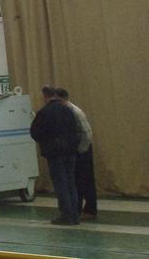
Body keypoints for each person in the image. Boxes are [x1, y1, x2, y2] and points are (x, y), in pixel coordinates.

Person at [29, 85, 81, 226]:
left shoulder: (44, 112)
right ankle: (75, 215)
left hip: (55, 153)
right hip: (70, 151)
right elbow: (77, 129)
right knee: (71, 183)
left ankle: (66, 215)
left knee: (61, 184)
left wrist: (46, 141)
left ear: (45, 96)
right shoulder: (68, 110)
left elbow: (34, 132)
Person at [58, 88, 97, 219]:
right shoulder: (67, 111)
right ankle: (78, 208)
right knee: (78, 181)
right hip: (79, 149)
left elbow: (87, 133)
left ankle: (90, 210)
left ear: (62, 99)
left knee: (84, 182)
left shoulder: (74, 111)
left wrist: (80, 151)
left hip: (83, 150)